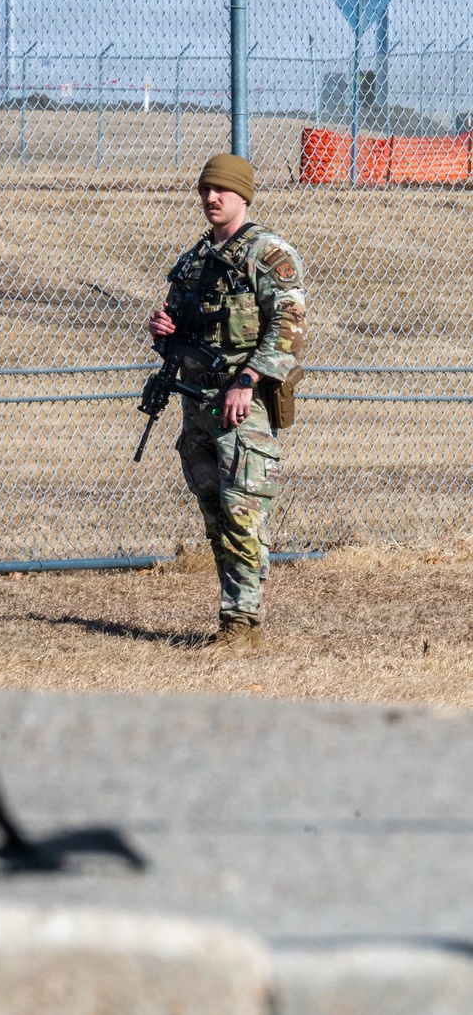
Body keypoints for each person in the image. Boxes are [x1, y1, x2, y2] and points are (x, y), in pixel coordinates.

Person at [148, 153, 306, 651]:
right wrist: (164, 331)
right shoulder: (194, 260)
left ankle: (243, 627)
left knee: (242, 513)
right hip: (197, 406)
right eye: (205, 190)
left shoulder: (268, 254)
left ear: (243, 195)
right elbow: (181, 323)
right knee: (216, 514)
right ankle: (234, 617)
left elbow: (289, 327)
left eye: (221, 191)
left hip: (243, 406)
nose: (211, 198)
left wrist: (249, 378)